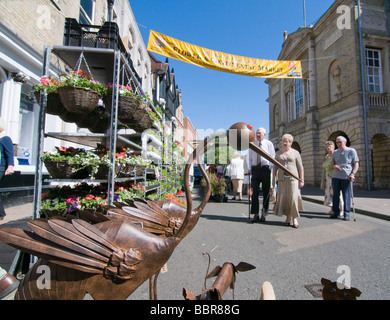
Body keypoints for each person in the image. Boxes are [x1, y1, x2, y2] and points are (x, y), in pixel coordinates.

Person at [272, 134, 304, 228]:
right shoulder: (278, 154)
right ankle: (288, 217)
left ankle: (295, 218)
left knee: (293, 198)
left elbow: (300, 167)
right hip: (282, 180)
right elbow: (275, 168)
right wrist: (273, 180)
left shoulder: (295, 153)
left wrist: (301, 180)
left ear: (291, 143)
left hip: (293, 179)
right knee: (285, 199)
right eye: (284, 141)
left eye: (287, 141)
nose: (285, 143)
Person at [248, 127, 275, 222]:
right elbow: (250, 158)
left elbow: (272, 157)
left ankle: (264, 213)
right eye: (257, 133)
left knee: (266, 193)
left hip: (265, 169)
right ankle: (255, 214)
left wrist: (269, 169)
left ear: (264, 134)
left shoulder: (269, 144)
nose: (258, 135)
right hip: (255, 170)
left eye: (260, 133)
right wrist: (249, 169)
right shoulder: (252, 144)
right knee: (254, 193)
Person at [330, 136, 359, 221]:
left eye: (340, 142)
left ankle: (346, 214)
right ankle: (336, 212)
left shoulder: (351, 151)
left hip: (346, 176)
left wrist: (353, 174)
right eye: (337, 142)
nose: (338, 144)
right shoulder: (335, 152)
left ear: (345, 142)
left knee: (346, 195)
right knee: (335, 195)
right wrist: (334, 166)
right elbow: (332, 163)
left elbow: (356, 164)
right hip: (336, 176)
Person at [321, 141, 344, 216]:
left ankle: (341, 210)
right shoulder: (327, 156)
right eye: (327, 146)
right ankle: (332, 210)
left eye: (330, 146)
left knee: (337, 193)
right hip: (328, 177)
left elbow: (339, 165)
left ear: (334, 147)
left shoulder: (336, 155)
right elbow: (325, 166)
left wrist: (333, 166)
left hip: (335, 176)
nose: (328, 147)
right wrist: (324, 162)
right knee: (329, 193)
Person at [0, 118, 14, 220]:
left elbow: (10, 153)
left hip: (1, 167)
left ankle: (1, 214)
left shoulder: (5, 138)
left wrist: (10, 166)